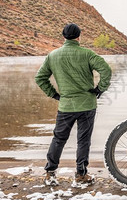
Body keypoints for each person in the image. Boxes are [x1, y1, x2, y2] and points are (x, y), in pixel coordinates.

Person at [35, 23, 112, 186]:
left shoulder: (53, 56)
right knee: (83, 140)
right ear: (79, 36)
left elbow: (40, 78)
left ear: (63, 37)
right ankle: (81, 174)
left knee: (59, 139)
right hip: (87, 104)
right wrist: (100, 89)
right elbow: (106, 70)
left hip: (66, 106)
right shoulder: (86, 54)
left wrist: (54, 94)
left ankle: (50, 173)